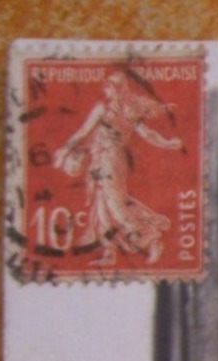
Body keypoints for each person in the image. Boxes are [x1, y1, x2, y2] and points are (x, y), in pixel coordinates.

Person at [53, 71, 183, 266]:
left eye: (110, 86)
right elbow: (84, 131)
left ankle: (151, 239)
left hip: (111, 159)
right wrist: (65, 149)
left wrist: (168, 144)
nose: (106, 90)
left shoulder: (123, 109)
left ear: (116, 88)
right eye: (108, 86)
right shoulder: (111, 108)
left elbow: (146, 134)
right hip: (99, 159)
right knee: (101, 206)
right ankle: (109, 252)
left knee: (115, 204)